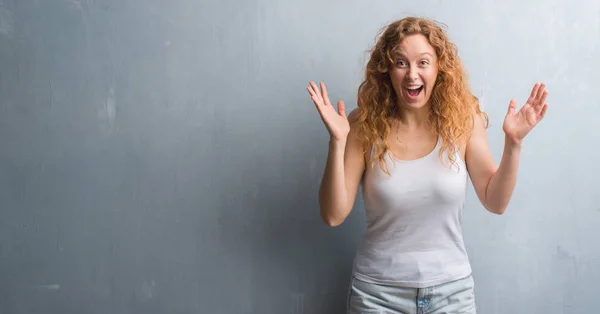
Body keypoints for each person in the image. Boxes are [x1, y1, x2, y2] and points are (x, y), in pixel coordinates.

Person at [306, 16, 548, 313]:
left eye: (423, 62)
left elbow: (495, 201)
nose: (412, 75)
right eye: (401, 63)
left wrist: (513, 144)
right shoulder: (362, 124)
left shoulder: (463, 121)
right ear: (386, 70)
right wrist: (338, 141)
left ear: (438, 68)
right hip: (378, 296)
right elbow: (333, 215)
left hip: (452, 294)